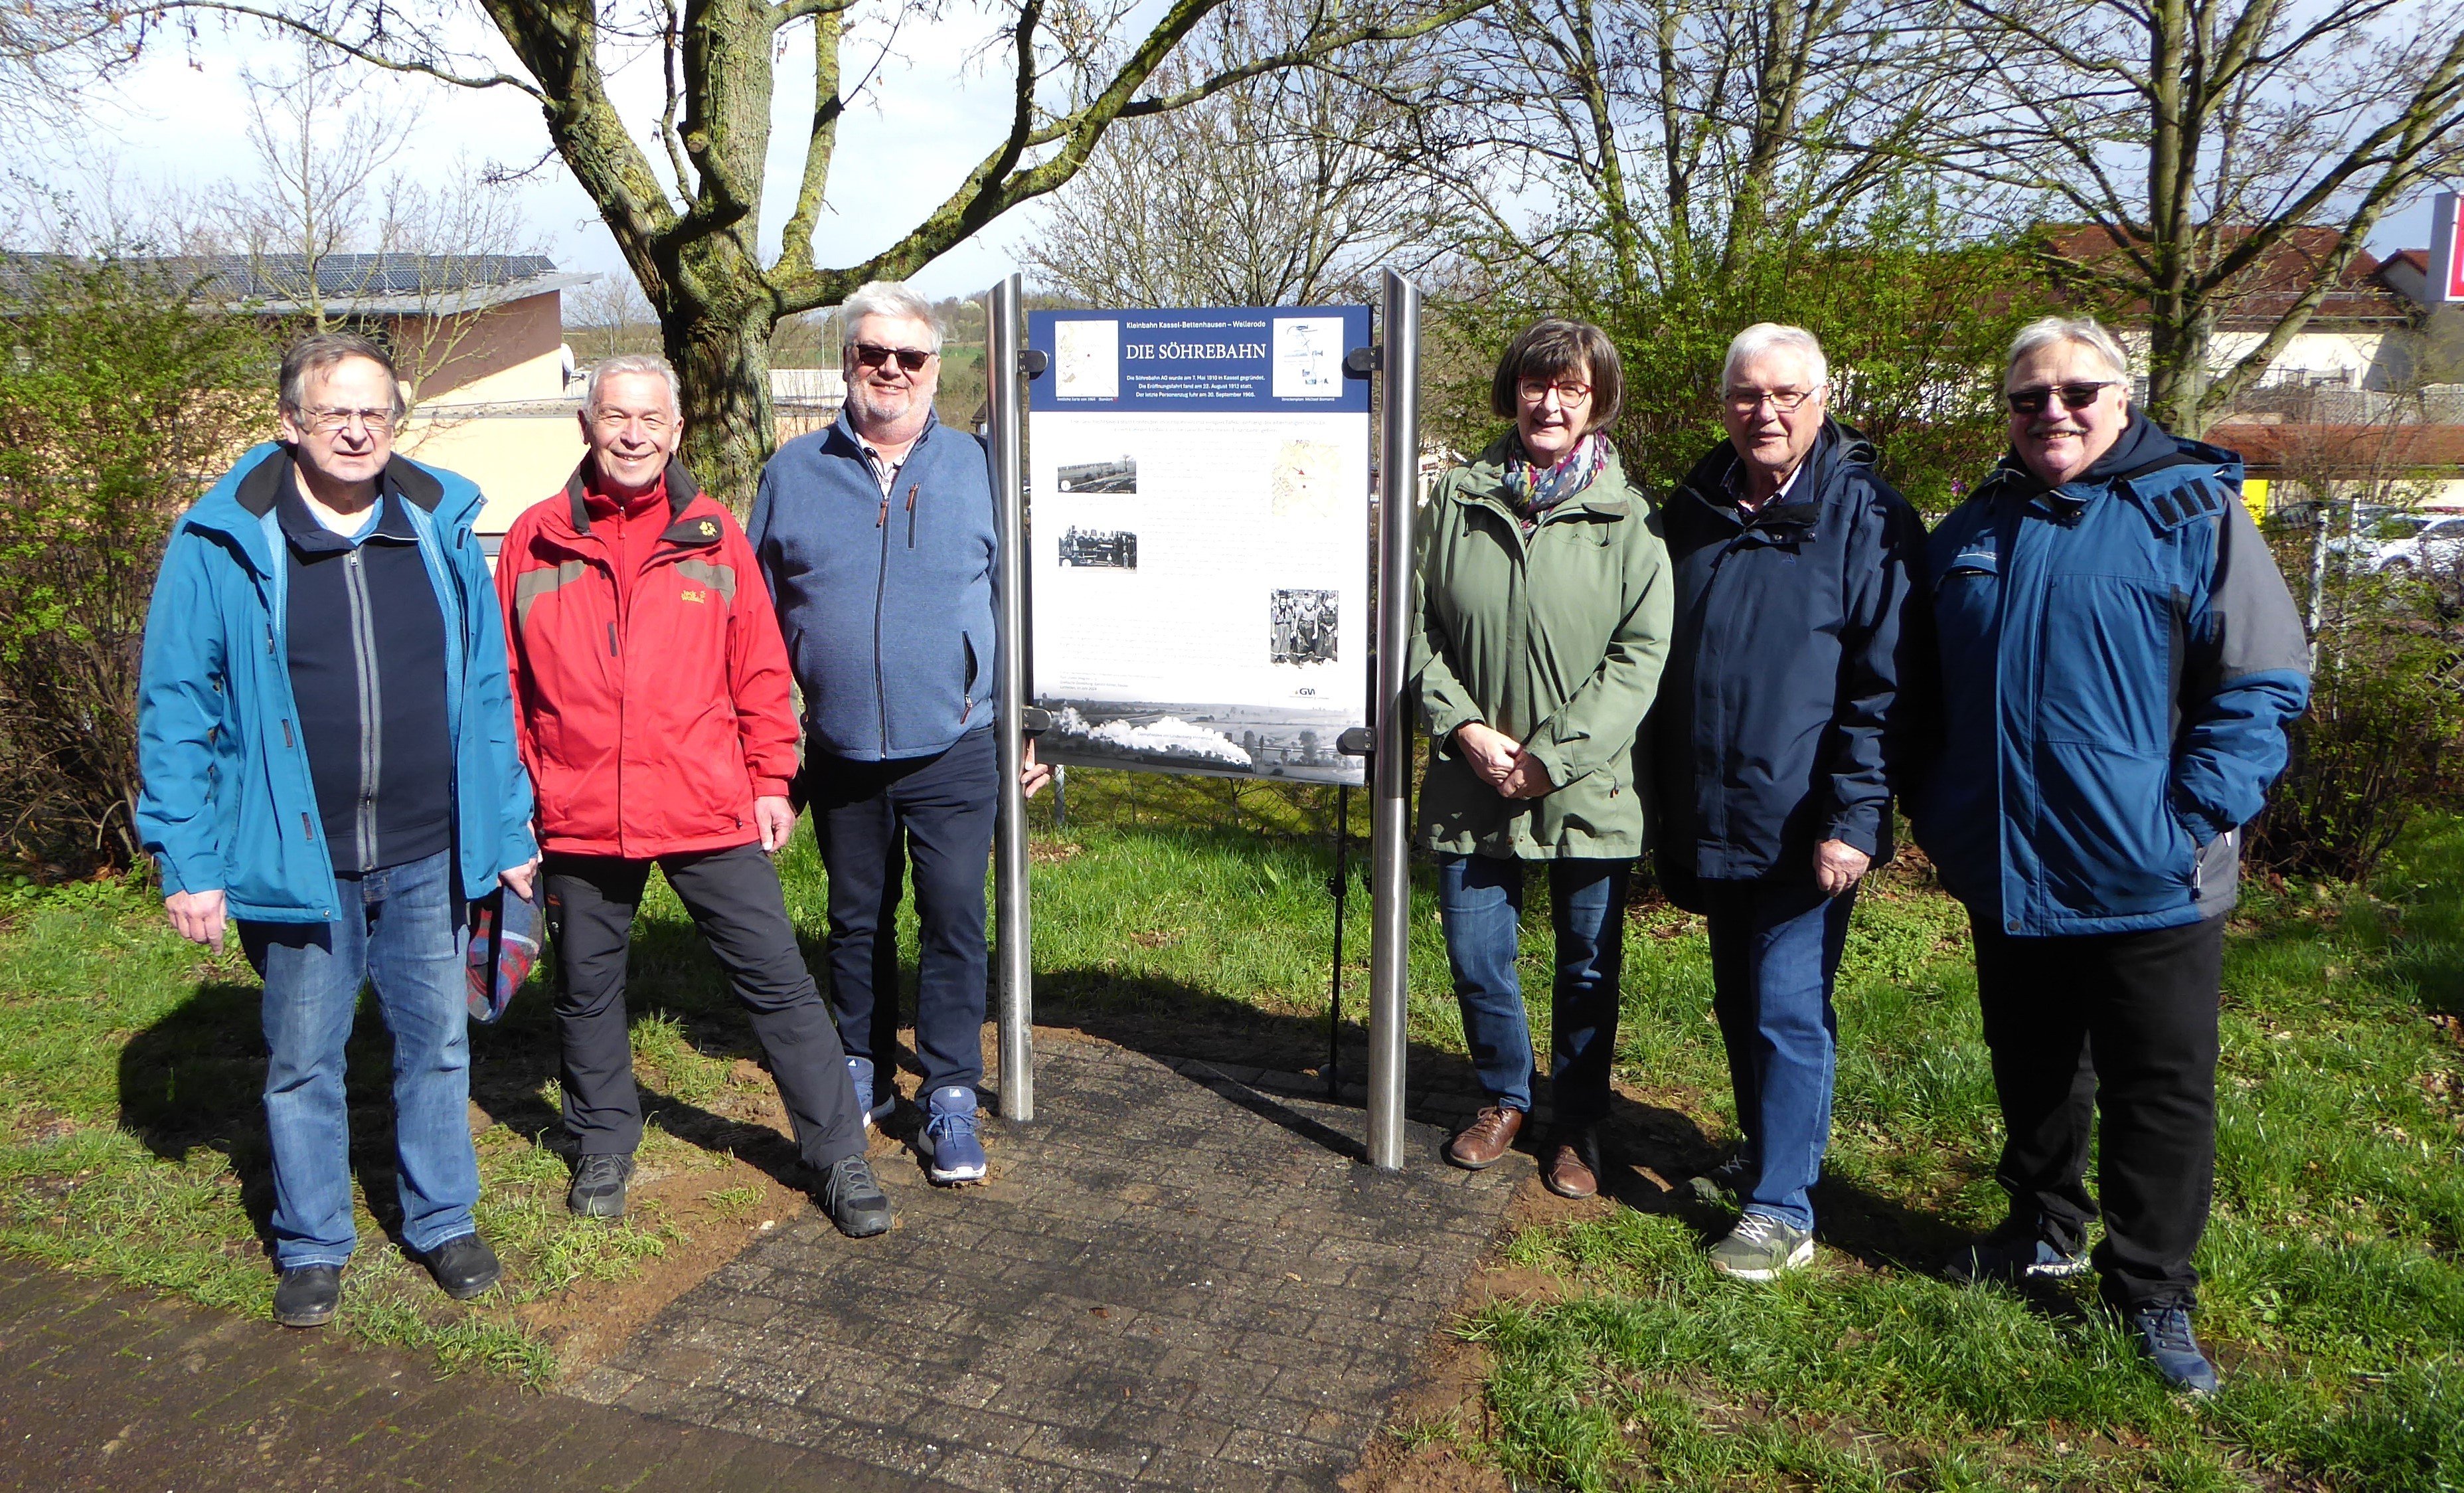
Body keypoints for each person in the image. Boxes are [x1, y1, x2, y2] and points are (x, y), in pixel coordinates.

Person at [1916, 316, 2309, 1394]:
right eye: (2028, 397)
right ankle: (2043, 1228)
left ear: (2122, 398)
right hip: (2012, 868)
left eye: (2077, 392)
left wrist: (2188, 817)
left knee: (2159, 1090)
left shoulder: (2192, 510)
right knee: (2035, 1068)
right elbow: (1924, 694)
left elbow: (2263, 681)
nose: (2054, 412)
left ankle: (2151, 1293)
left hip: (2154, 875)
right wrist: (1944, 814)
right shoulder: (1971, 528)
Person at [137, 332, 538, 1329]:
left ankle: (443, 1219)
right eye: (334, 413)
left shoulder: (440, 524)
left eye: (375, 413)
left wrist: (507, 827)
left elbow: (488, 694)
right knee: (303, 1058)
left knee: (437, 1045)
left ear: (395, 421)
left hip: (427, 846)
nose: (357, 431)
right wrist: (188, 858)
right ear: (291, 425)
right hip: (294, 853)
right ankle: (314, 1240)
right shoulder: (222, 540)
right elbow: (175, 705)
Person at [493, 353, 892, 1239]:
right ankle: (603, 1141)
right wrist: (516, 799)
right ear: (587, 425)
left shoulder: (714, 534)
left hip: (705, 801)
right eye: (614, 416)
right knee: (587, 991)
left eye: (649, 419)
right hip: (580, 809)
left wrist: (771, 779)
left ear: (675, 431)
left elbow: (759, 669)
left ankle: (838, 1153)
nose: (631, 434)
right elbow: (507, 684)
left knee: (778, 981)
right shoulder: (534, 539)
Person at [749, 280, 1046, 1187]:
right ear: (847, 362)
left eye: (910, 357)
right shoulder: (792, 473)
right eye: (872, 353)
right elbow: (753, 623)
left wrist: (1031, 728)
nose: (890, 370)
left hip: (959, 744)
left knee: (955, 920)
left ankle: (951, 1091)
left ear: (935, 369)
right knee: (854, 921)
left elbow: (1025, 608)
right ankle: (861, 1067)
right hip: (839, 747)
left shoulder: (981, 468)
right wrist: (764, 753)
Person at [1652, 324, 1931, 1280]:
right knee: (1739, 1001)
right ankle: (1766, 1155)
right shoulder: (1691, 508)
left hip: (1804, 820)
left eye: (1786, 396)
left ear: (1822, 400)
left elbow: (1884, 687)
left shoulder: (1866, 516)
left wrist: (1854, 819)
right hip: (1713, 811)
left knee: (1786, 1007)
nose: (1764, 412)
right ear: (1722, 401)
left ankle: (1784, 1207)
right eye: (1745, 394)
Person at [1408, 317, 1674, 1197]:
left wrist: (1551, 759)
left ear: (1597, 400)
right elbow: (1414, 629)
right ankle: (1502, 1098)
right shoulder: (1454, 500)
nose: (1549, 402)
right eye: (1535, 384)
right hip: (1469, 776)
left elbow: (1640, 656)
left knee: (1588, 966)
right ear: (1512, 392)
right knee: (1479, 955)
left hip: (1586, 788)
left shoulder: (1631, 520)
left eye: (1570, 388)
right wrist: (1464, 729)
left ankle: (1578, 1125)